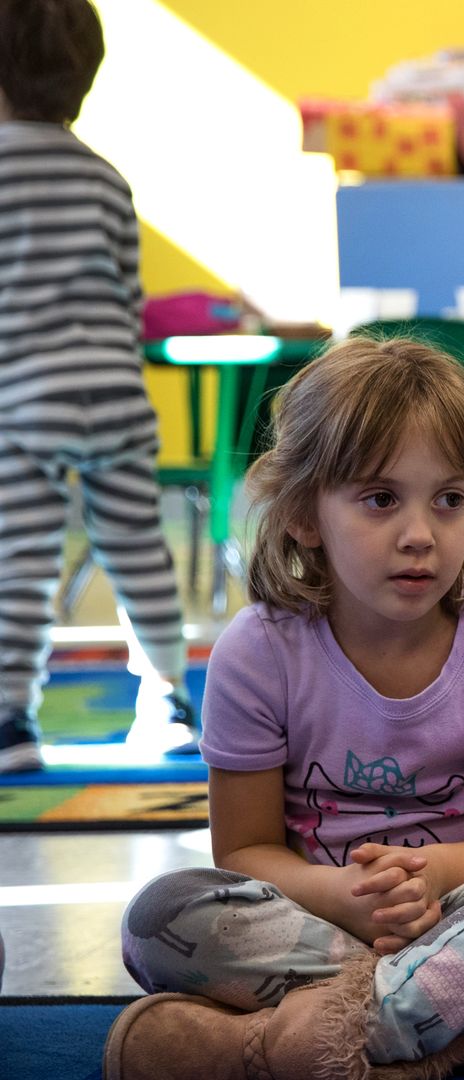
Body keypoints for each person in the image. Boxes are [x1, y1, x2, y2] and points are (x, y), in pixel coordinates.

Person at [102, 339, 464, 1080]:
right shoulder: (257, 653)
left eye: (449, 500)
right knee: (158, 919)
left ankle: (273, 1048)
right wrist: (347, 898)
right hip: (317, 924)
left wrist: (431, 874)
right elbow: (244, 853)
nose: (421, 534)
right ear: (302, 514)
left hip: (462, 917)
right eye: (381, 499)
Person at [0, 0, 197, 773]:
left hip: (25, 398)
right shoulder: (107, 179)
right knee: (139, 552)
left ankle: (11, 721)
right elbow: (127, 300)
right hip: (115, 394)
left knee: (21, 559)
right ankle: (169, 701)